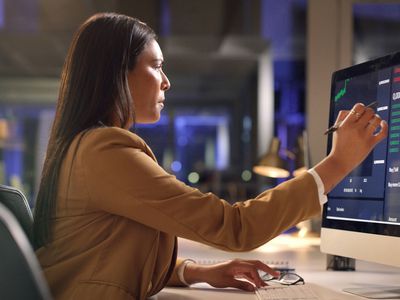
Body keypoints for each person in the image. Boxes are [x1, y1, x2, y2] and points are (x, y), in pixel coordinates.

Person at [33, 12, 387, 300]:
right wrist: (339, 162)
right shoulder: (104, 152)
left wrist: (198, 271)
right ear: (117, 75)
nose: (166, 81)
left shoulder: (85, 146)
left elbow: (104, 256)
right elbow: (236, 228)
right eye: (156, 66)